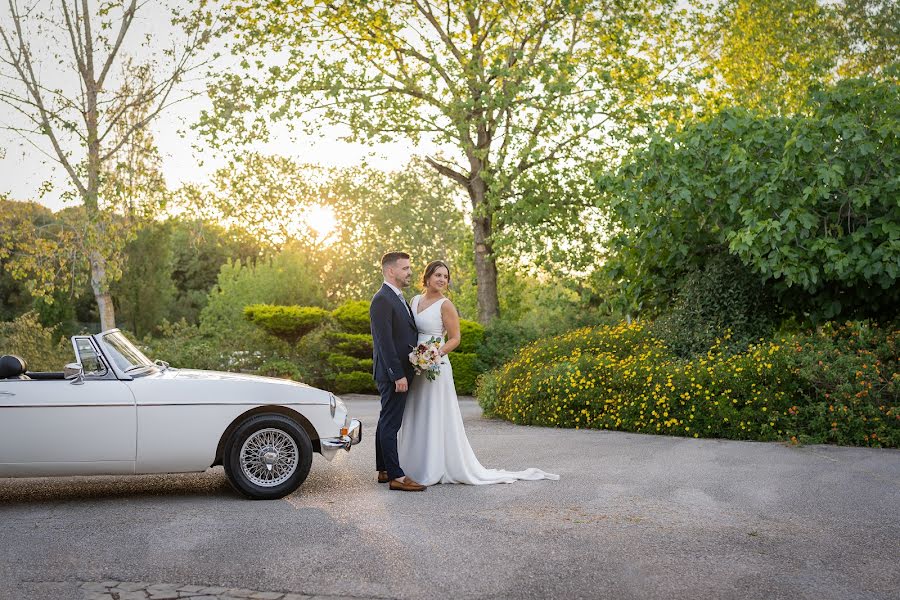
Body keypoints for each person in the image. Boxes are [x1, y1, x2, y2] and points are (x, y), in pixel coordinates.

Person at [398, 260, 559, 485]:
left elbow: (455, 338)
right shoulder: (414, 300)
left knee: (435, 414)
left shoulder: (446, 305)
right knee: (417, 413)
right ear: (427, 278)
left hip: (436, 365)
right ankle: (412, 465)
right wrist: (416, 358)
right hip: (416, 365)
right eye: (438, 275)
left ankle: (434, 467)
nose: (442, 280)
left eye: (446, 276)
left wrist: (434, 355)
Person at [369, 252, 427, 492]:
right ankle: (396, 476)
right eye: (405, 268)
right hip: (393, 373)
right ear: (391, 271)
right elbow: (384, 342)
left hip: (398, 371)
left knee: (386, 420)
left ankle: (383, 469)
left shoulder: (397, 297)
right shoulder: (382, 299)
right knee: (392, 423)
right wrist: (397, 374)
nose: (409, 272)